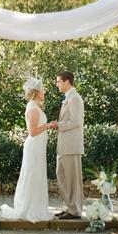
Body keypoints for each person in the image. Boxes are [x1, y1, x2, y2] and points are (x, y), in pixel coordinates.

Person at [0, 77, 58, 222]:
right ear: (37, 92)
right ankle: (29, 208)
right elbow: (32, 131)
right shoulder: (32, 108)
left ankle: (36, 206)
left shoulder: (36, 106)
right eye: (42, 90)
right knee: (32, 175)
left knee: (37, 175)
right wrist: (49, 125)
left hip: (39, 147)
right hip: (34, 147)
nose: (44, 92)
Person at [54, 70, 84, 219]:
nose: (57, 84)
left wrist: (58, 125)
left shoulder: (75, 98)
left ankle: (75, 210)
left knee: (73, 180)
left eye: (59, 81)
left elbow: (76, 122)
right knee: (62, 177)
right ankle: (68, 207)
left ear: (67, 81)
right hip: (64, 146)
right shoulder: (68, 97)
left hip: (72, 146)